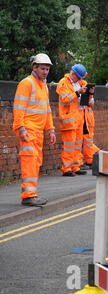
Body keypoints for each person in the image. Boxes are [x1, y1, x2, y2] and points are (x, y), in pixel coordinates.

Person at [13, 53, 56, 206]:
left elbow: (47, 109)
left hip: (38, 132)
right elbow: (18, 108)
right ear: (34, 67)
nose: (45, 72)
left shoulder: (44, 85)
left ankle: (31, 193)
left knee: (36, 162)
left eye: (47, 69)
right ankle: (28, 195)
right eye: (43, 69)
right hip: (28, 130)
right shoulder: (27, 83)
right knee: (29, 161)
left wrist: (51, 129)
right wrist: (20, 128)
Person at [56, 64, 91, 176]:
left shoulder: (79, 83)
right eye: (79, 77)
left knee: (77, 144)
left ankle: (76, 167)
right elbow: (65, 99)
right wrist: (77, 93)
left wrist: (89, 90)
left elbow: (85, 86)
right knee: (69, 145)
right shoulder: (63, 83)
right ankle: (67, 169)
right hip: (69, 118)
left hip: (79, 117)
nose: (81, 79)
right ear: (74, 74)